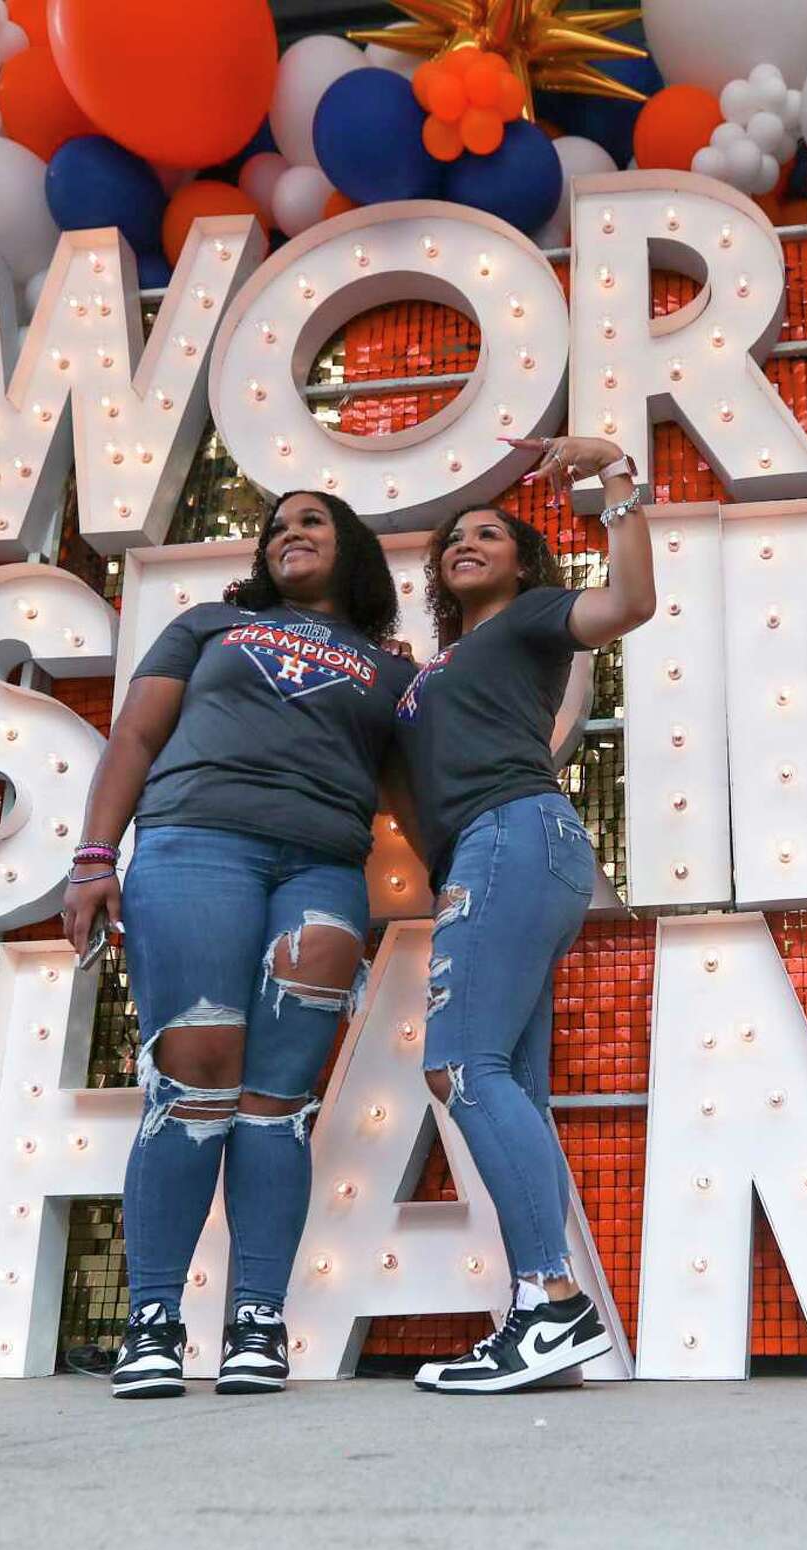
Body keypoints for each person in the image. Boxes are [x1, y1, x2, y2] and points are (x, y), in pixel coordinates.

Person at [63, 490, 414, 1399]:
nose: (288, 533)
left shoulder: (387, 667)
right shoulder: (210, 624)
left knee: (278, 1102)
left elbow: (426, 784)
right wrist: (94, 858)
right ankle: (153, 1323)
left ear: (356, 551)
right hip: (194, 844)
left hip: (325, 872)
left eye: (312, 521)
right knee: (194, 1076)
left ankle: (257, 1319)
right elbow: (135, 736)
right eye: (276, 526)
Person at [393, 434, 657, 1394]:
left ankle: (550, 1307)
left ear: (522, 560)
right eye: (455, 537)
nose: (468, 542)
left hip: (515, 833)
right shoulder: (444, 664)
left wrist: (615, 479)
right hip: (493, 849)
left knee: (459, 1066)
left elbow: (631, 602)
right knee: (508, 1086)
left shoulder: (537, 619)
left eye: (490, 533)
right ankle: (540, 1312)